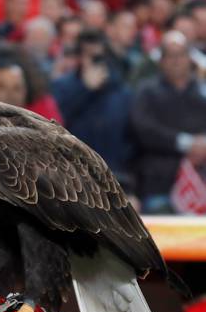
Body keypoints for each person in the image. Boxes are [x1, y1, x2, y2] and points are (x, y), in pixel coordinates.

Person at [131, 31, 206, 213]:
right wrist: (186, 143)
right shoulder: (147, 91)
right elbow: (143, 129)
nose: (176, 61)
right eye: (170, 56)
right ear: (161, 61)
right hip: (159, 183)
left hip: (201, 180)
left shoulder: (202, 90)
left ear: (190, 59)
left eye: (181, 55)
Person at [52, 29, 135, 192]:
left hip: (114, 176)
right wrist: (84, 89)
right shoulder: (62, 87)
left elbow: (132, 138)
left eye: (99, 57)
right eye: (91, 56)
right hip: (72, 176)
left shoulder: (122, 91)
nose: (96, 62)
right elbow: (54, 122)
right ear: (79, 58)